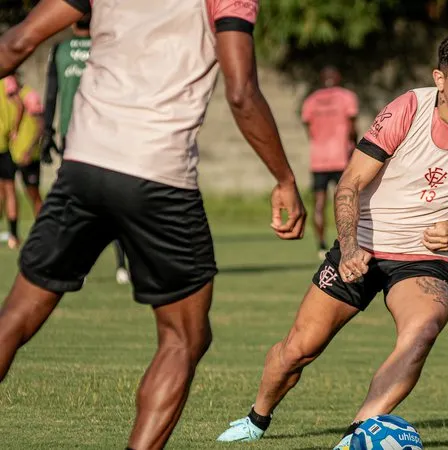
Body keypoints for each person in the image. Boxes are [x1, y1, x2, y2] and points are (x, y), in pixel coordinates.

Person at [0, 0, 306, 449]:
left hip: (82, 166)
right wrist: (283, 177)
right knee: (185, 337)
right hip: (159, 175)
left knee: (17, 315)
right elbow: (241, 92)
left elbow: (17, 41)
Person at [217, 33, 448, 449]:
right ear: (440, 78)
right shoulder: (406, 110)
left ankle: (358, 435)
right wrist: (350, 245)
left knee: (424, 329)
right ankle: (256, 418)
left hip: (423, 257)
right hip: (364, 243)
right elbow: (350, 184)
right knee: (298, 350)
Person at [41, 12, 130, 284]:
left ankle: (66, 263)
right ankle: (122, 266)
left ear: (71, 22)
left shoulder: (60, 50)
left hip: (74, 138)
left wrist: (47, 133)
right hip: (106, 135)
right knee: (115, 203)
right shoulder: (107, 47)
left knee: (72, 203)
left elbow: (52, 94)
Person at [301, 66, 359, 259]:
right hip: (341, 157)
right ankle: (346, 242)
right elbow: (352, 130)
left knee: (319, 203)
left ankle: (320, 246)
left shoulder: (311, 101)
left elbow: (309, 129)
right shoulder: (347, 97)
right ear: (338, 78)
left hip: (318, 159)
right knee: (346, 202)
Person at [7, 79, 45, 233]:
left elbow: (41, 126)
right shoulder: (10, 97)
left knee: (34, 195)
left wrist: (30, 150)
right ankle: (13, 233)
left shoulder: (30, 96)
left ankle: (43, 231)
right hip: (13, 153)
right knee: (9, 190)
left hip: (28, 156)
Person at [0, 74, 23, 247]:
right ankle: (13, 236)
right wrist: (15, 128)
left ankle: (13, 234)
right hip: (4, 146)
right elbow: (19, 104)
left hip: (4, 146)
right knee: (8, 190)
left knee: (7, 190)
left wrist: (14, 129)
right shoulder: (7, 79)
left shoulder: (6, 79)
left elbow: (20, 104)